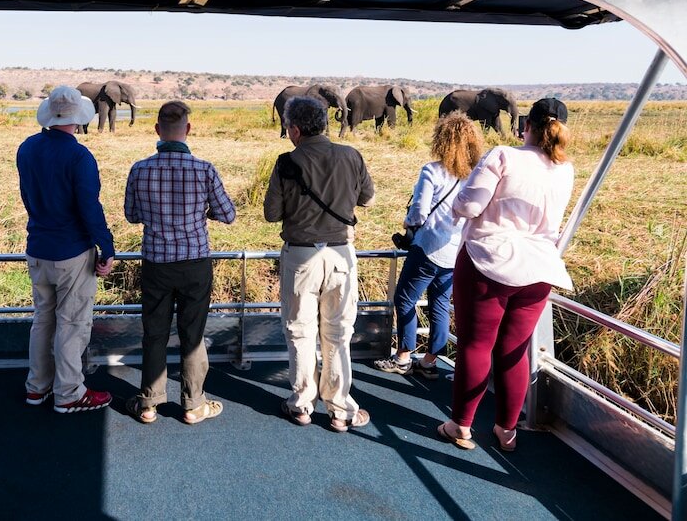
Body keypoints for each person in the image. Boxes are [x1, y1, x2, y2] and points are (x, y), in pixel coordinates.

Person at [437, 98, 574, 452]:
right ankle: (507, 429)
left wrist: (456, 204)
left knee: (476, 344)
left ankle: (461, 425)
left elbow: (470, 205)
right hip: (539, 268)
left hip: (489, 261)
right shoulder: (565, 168)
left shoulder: (503, 155)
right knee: (514, 351)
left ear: (525, 125)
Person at [263, 97, 375, 432]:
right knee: (339, 333)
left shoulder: (286, 161)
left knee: (300, 331)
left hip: (300, 255)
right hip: (341, 254)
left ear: (295, 129)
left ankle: (301, 404)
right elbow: (367, 198)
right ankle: (339, 408)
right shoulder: (351, 155)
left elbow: (271, 214)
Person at [123, 101, 236, 425]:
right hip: (194, 262)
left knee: (154, 333)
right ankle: (193, 403)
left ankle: (148, 403)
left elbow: (131, 215)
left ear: (157, 130)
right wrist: (205, 212)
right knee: (193, 334)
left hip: (156, 262)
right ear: (187, 129)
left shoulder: (140, 169)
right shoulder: (205, 169)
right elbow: (228, 214)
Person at [17, 85, 116, 413]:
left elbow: (27, 197)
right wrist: (107, 246)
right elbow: (89, 207)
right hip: (71, 251)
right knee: (72, 323)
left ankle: (37, 387)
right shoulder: (79, 156)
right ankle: (69, 392)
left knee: (43, 318)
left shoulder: (27, 148)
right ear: (77, 117)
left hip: (38, 247)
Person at [373, 112, 483, 378]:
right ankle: (430, 361)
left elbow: (419, 212)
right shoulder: (475, 176)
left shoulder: (432, 171)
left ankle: (403, 357)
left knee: (405, 298)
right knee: (440, 303)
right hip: (456, 251)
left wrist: (407, 221)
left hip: (428, 247)